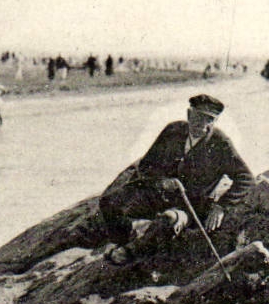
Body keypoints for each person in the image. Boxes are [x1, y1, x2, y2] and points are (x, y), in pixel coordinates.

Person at [98, 93, 254, 265]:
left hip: (189, 207)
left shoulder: (220, 143)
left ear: (214, 122)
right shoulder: (173, 131)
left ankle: (129, 252)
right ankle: (121, 239)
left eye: (208, 119)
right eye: (197, 117)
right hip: (158, 196)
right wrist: (162, 181)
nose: (201, 124)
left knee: (169, 221)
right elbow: (146, 166)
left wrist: (221, 206)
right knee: (110, 202)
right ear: (188, 114)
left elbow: (246, 178)